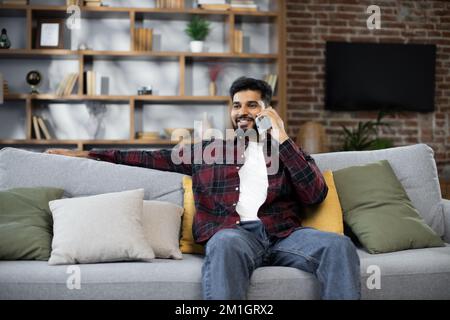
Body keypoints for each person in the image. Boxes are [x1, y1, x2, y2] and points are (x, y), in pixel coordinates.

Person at [46, 76, 361, 300]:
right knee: (224, 244)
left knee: (338, 246)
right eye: (237, 105)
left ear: (267, 111)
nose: (243, 112)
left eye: (253, 105)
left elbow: (315, 194)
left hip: (284, 236)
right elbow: (145, 157)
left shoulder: (286, 152)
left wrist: (280, 138)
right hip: (234, 237)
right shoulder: (207, 151)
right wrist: (85, 153)